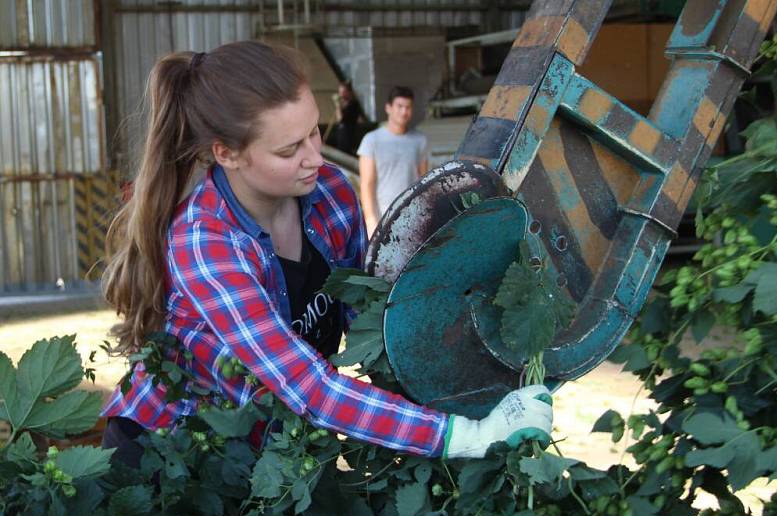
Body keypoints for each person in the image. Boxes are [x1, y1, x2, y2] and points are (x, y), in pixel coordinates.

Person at [100, 41, 554, 468]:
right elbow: (305, 385)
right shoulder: (207, 243)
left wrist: (463, 382)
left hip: (267, 450)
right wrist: (466, 436)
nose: (315, 156)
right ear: (227, 154)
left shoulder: (332, 192)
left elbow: (369, 320)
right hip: (169, 456)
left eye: (314, 131)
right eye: (288, 149)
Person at [357, 86, 428, 236]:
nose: (404, 111)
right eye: (399, 106)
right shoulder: (371, 140)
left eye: (408, 107)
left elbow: (424, 180)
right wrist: (370, 221)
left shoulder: (420, 140)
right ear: (388, 108)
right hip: (382, 217)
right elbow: (366, 183)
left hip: (412, 215)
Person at [331, 80, 363, 156]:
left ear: (349, 92)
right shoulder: (345, 104)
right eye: (340, 92)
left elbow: (340, 119)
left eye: (343, 92)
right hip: (342, 137)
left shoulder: (353, 105)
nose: (341, 94)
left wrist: (337, 105)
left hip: (348, 138)